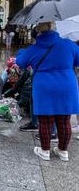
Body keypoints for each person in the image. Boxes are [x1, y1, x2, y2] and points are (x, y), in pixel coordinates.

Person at [16, 21, 79, 161]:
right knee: (64, 121)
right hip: (67, 85)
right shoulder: (68, 44)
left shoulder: (34, 48)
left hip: (44, 86)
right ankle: (63, 151)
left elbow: (20, 62)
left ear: (38, 32)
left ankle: (45, 151)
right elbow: (78, 60)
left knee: (45, 120)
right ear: (54, 29)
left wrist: (21, 51)